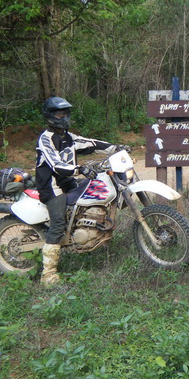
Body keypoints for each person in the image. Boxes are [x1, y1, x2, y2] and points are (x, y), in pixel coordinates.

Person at [36, 96, 126, 284]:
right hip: (52, 187)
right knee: (58, 224)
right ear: (50, 116)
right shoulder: (45, 139)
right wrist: (80, 169)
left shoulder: (69, 137)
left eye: (65, 113)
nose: (64, 117)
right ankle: (48, 274)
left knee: (93, 195)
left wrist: (115, 148)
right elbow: (56, 164)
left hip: (68, 182)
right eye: (60, 114)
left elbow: (92, 143)